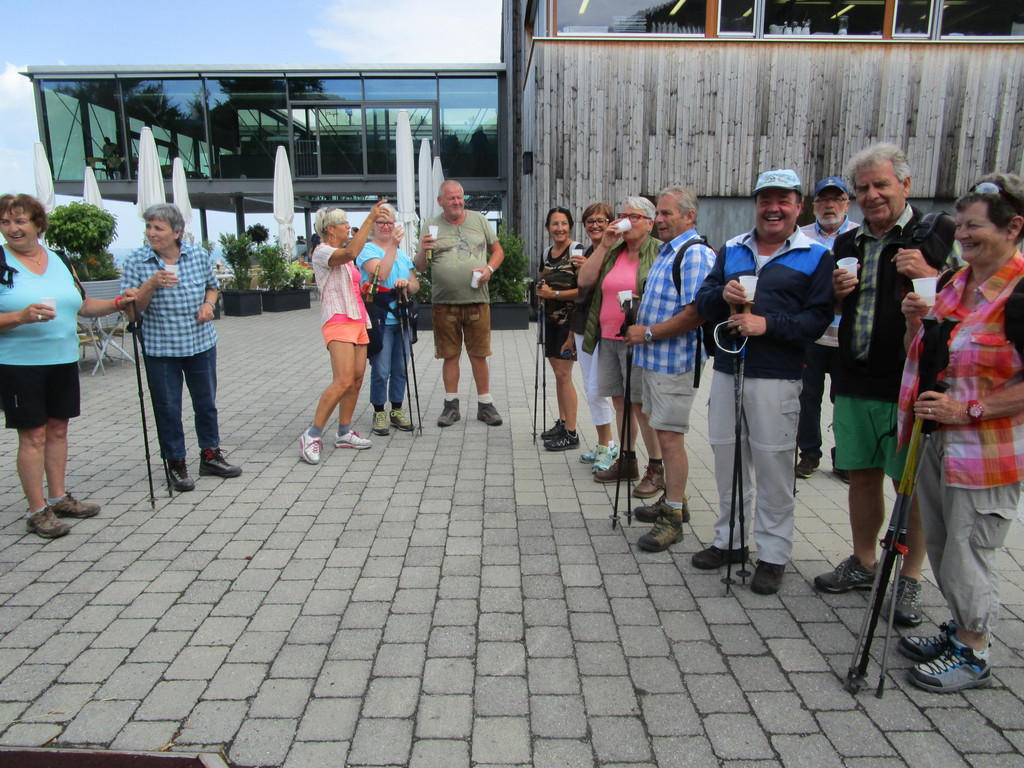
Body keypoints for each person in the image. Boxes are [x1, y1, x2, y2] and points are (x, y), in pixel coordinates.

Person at [814, 143, 958, 627]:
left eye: (881, 185)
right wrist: (835, 296)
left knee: (908, 482)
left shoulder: (935, 236)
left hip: (909, 381)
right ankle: (863, 559)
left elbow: (968, 304)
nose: (872, 195)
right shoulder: (848, 244)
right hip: (855, 373)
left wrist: (932, 277)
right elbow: (838, 310)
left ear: (906, 185)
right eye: (863, 188)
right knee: (860, 473)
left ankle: (910, 577)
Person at [896, 173, 1024, 692]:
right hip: (937, 438)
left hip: (986, 449)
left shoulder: (1020, 292)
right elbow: (931, 356)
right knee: (946, 545)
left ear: (1013, 228)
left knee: (969, 548)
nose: (963, 235)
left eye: (975, 226)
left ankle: (974, 651)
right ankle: (959, 630)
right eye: (961, 225)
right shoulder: (953, 282)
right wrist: (915, 322)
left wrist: (969, 409)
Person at [693, 169, 833, 594]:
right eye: (765, 200)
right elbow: (703, 301)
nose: (773, 209)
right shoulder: (733, 248)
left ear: (798, 206)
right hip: (728, 370)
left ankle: (773, 554)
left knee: (773, 467)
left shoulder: (815, 255)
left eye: (783, 200)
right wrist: (723, 296)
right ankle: (730, 541)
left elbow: (818, 318)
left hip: (777, 376)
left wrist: (767, 325)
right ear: (755, 204)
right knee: (727, 459)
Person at [0, 193, 134, 538]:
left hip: (62, 359)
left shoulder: (59, 259)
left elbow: (83, 305)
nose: (13, 228)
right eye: (5, 222)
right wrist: (19, 317)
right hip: (19, 364)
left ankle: (58, 498)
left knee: (58, 430)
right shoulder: (0, 259)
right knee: (33, 436)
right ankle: (37, 511)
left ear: (37, 224)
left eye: (20, 221)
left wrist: (118, 303)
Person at [121, 203, 242, 491]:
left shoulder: (197, 254)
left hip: (200, 343)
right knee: (168, 408)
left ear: (176, 232)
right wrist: (151, 284)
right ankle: (175, 463)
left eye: (158, 228)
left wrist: (209, 305)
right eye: (148, 227)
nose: (151, 233)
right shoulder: (136, 261)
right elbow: (132, 312)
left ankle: (210, 456)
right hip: (161, 348)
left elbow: (212, 287)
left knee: (206, 403)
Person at [623, 186, 716, 552]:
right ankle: (675, 499)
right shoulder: (668, 251)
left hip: (675, 363)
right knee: (663, 434)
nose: (659, 220)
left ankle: (673, 517)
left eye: (666, 213)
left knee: (671, 439)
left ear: (689, 216)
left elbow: (696, 313)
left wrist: (647, 332)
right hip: (655, 360)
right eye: (658, 213)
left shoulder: (695, 254)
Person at [577, 196, 664, 498]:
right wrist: (604, 245)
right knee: (619, 401)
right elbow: (585, 280)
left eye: (634, 217)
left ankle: (656, 467)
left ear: (650, 224)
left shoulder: (659, 251)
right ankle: (627, 460)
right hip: (608, 337)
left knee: (640, 405)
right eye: (623, 215)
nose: (626, 221)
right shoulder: (613, 250)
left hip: (639, 338)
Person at [298, 202, 388, 464]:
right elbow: (351, 253)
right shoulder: (321, 251)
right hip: (338, 320)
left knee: (357, 379)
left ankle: (344, 432)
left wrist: (362, 289)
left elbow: (346, 279)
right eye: (344, 223)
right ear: (330, 229)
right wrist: (371, 218)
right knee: (343, 380)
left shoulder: (341, 256)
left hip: (358, 319)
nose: (349, 226)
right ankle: (312, 435)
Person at [415, 181, 504, 427]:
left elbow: (498, 251)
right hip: (444, 302)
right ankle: (451, 406)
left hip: (477, 300)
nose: (456, 202)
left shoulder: (479, 220)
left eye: (459, 197)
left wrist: (489, 269)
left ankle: (485, 405)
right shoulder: (431, 226)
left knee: (479, 355)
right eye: (451, 198)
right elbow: (420, 266)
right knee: (450, 355)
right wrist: (423, 250)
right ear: (440, 201)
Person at [795, 176, 859, 480]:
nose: (830, 205)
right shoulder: (801, 236)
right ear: (814, 204)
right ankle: (809, 454)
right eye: (823, 200)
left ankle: (844, 456)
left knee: (843, 399)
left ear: (847, 204)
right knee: (808, 396)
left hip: (847, 334)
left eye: (837, 199)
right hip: (812, 333)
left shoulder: (859, 235)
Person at [355, 203, 418, 437]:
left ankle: (397, 409)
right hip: (380, 318)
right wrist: (392, 245)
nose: (385, 226)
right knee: (381, 369)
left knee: (400, 368)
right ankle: (379, 411)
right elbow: (380, 274)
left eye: (389, 222)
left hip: (401, 319)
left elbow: (415, 285)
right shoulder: (367, 250)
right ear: (373, 225)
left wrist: (407, 284)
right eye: (380, 222)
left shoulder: (402, 254)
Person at [565, 204, 617, 471]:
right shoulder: (586, 252)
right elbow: (580, 297)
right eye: (589, 221)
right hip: (582, 326)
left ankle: (608, 446)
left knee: (599, 388)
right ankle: (604, 443)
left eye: (600, 220)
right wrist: (570, 335)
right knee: (590, 387)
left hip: (603, 328)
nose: (595, 225)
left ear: (610, 223)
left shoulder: (615, 253)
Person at [535, 206, 582, 451]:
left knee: (564, 375)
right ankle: (563, 422)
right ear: (547, 228)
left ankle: (571, 433)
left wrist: (553, 293)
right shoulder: (547, 253)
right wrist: (540, 290)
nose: (559, 228)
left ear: (570, 226)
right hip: (550, 322)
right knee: (558, 374)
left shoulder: (577, 251)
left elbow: (584, 290)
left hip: (569, 323)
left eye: (564, 223)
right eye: (555, 224)